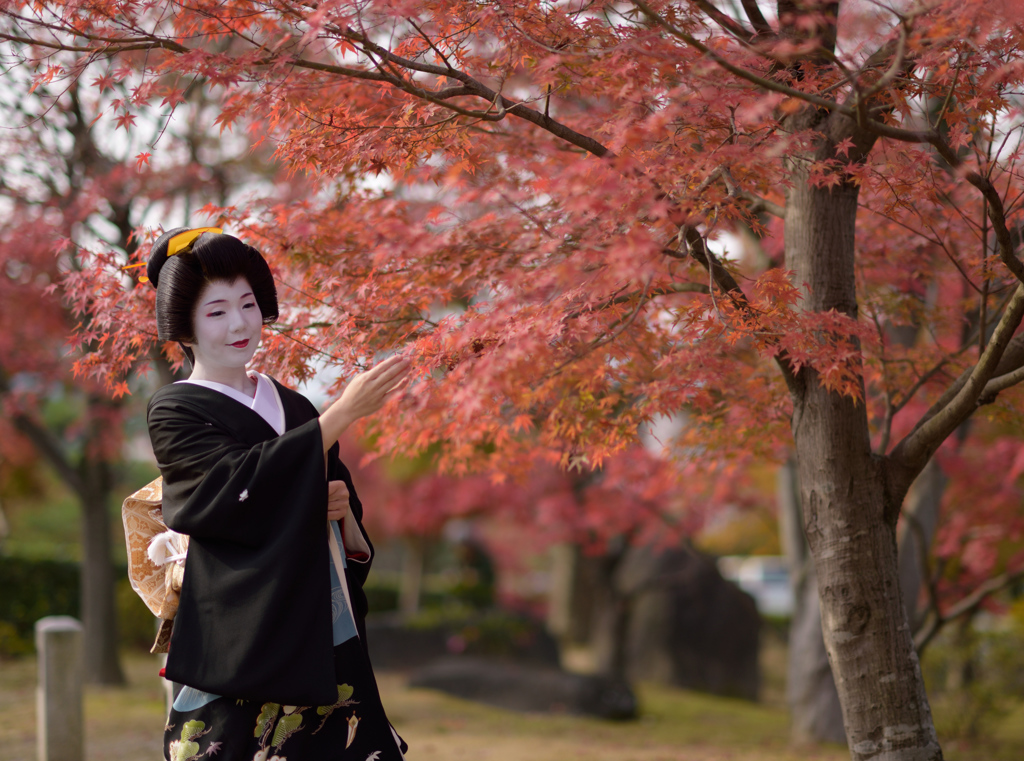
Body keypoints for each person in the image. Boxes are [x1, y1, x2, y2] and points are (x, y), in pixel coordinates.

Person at [144, 227, 410, 761]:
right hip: (237, 631)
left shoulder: (295, 408)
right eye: (217, 311)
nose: (240, 323)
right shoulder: (174, 410)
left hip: (319, 629)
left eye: (247, 304)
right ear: (185, 327)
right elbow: (228, 490)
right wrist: (341, 415)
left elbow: (340, 517)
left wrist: (346, 522)